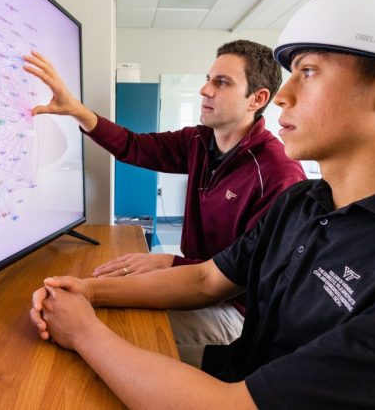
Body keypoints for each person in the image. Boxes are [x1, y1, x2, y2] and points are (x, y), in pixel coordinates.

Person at [29, 0, 375, 409]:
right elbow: (206, 281)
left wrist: (86, 330)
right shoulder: (305, 203)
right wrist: (90, 291)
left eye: (308, 72)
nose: (285, 96)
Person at [24, 40, 305, 361]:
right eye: (208, 78)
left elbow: (252, 278)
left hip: (238, 311)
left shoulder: (278, 173)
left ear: (258, 98)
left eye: (222, 83)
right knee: (106, 316)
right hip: (196, 284)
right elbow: (133, 146)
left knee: (115, 329)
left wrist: (171, 263)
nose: (205, 90)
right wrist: (77, 110)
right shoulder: (199, 140)